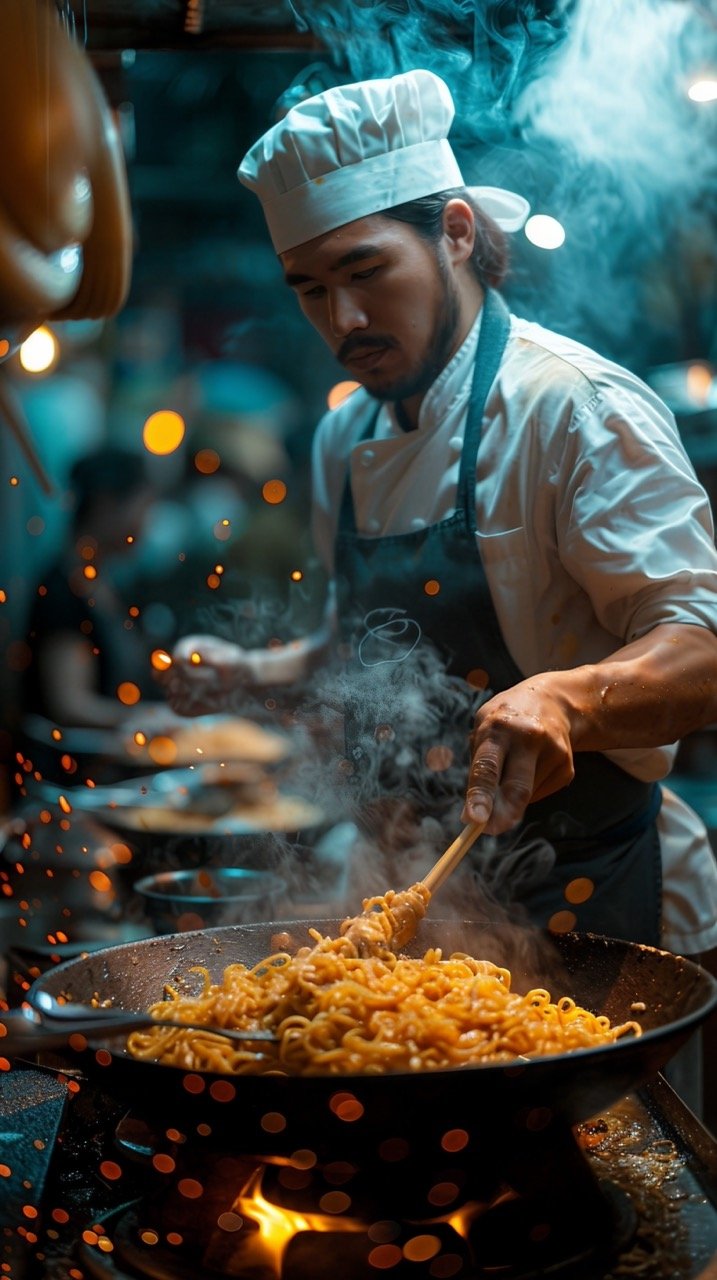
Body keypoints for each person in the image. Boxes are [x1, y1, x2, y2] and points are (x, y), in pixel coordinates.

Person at [166, 69, 717, 972]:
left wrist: (565, 699)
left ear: (455, 233)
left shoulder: (571, 407)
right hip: (408, 901)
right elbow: (365, 656)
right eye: (308, 289)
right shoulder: (343, 437)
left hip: (588, 904)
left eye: (365, 271)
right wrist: (248, 672)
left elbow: (697, 650)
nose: (341, 318)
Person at [23, 444, 159, 730]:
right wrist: (152, 720)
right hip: (71, 767)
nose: (147, 524)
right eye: (143, 508)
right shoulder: (62, 592)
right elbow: (70, 704)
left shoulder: (107, 582)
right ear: (106, 505)